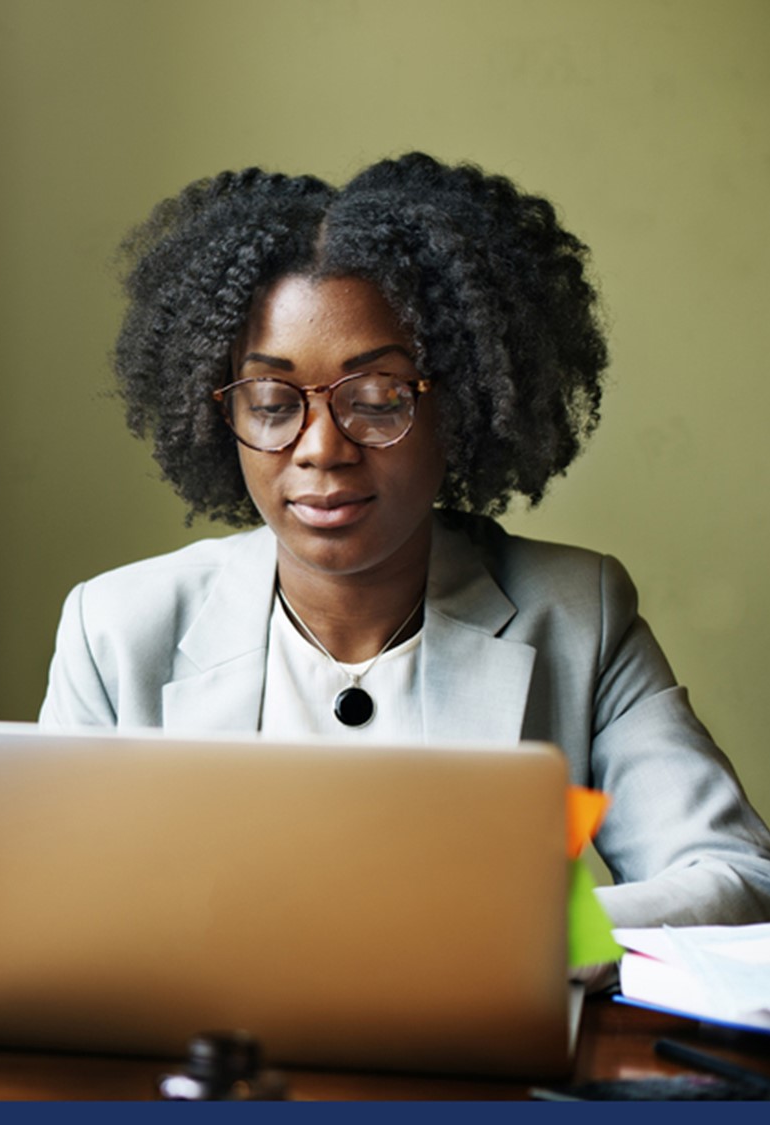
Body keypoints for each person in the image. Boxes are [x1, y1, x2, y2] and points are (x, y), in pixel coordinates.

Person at [39, 152, 770, 938]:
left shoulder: (575, 615)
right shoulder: (115, 626)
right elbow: (44, 898)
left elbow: (734, 880)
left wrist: (492, 936)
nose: (320, 447)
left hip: (470, 1054)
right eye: (271, 400)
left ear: (461, 402)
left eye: (378, 397)